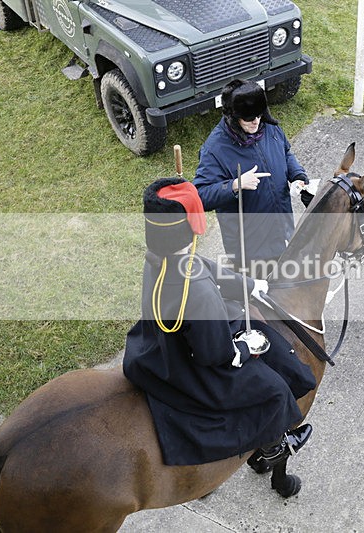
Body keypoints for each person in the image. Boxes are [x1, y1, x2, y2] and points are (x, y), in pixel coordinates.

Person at [122, 176, 316, 467]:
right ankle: (273, 448)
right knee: (274, 389)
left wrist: (251, 286)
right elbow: (216, 354)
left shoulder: (160, 257)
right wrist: (244, 350)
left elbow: (204, 265)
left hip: (153, 347)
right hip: (191, 365)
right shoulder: (197, 290)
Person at [194, 79, 308, 278]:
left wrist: (297, 175)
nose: (256, 122)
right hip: (251, 249)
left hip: (283, 231)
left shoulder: (268, 127)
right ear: (233, 117)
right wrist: (235, 185)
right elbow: (200, 195)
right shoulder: (214, 149)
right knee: (261, 302)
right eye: (249, 118)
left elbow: (285, 152)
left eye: (258, 115)